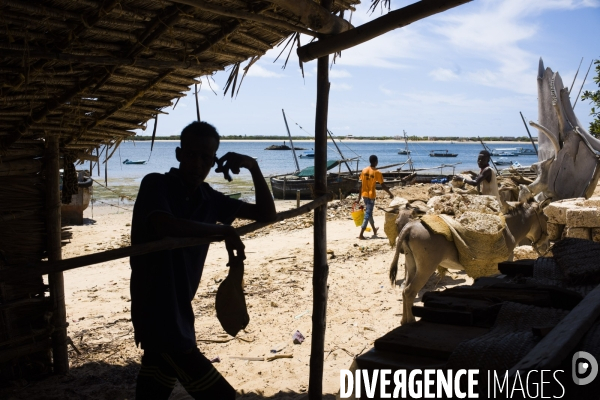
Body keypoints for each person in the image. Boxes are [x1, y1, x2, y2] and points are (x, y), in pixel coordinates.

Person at [129, 121, 276, 399]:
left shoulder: (208, 198)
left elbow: (266, 214)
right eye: (192, 154)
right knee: (221, 396)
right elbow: (164, 224)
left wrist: (253, 166)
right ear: (178, 154)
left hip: (181, 308)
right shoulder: (156, 184)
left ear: (213, 161)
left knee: (155, 385)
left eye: (206, 157)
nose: (198, 163)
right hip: (157, 311)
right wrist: (222, 229)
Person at [356, 155, 393, 240]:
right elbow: (383, 185)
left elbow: (360, 185)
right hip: (371, 196)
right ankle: (361, 234)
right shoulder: (377, 172)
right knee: (368, 214)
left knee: (369, 213)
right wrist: (390, 194)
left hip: (364, 195)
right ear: (376, 162)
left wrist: (358, 198)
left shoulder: (364, 170)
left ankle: (374, 230)